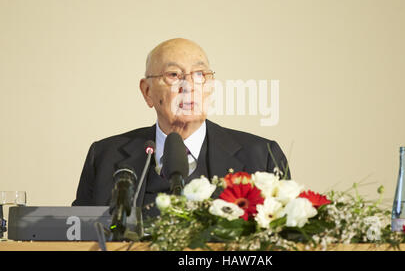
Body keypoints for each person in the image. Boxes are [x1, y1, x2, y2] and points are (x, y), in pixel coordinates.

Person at [72, 38, 289, 216]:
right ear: (147, 91)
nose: (189, 86)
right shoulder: (104, 157)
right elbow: (76, 237)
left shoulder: (262, 157)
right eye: (174, 75)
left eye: (199, 75)